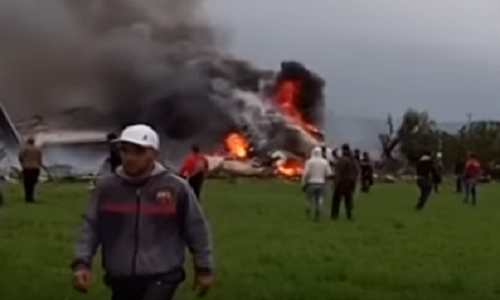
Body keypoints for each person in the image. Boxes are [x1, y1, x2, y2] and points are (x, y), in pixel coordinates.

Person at [71, 124, 215, 300]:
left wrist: (204, 268)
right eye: (125, 150)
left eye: (139, 151)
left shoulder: (175, 188)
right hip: (120, 276)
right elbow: (91, 227)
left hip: (162, 273)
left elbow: (195, 229)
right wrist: (82, 264)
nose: (130, 158)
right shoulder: (107, 188)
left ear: (154, 154)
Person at [301, 147, 332, 220]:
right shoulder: (325, 162)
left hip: (311, 183)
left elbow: (306, 173)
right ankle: (317, 214)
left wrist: (303, 183)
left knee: (308, 199)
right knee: (319, 200)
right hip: (321, 184)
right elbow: (329, 173)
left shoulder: (309, 162)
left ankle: (308, 212)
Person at [331, 144, 359, 220]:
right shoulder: (353, 160)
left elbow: (339, 172)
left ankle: (334, 215)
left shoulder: (342, 160)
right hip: (350, 183)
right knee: (348, 200)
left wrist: (335, 182)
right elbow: (357, 171)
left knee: (336, 200)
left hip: (342, 182)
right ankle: (349, 215)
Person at [18, 137, 43, 203]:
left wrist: (22, 164)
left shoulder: (24, 149)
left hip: (27, 168)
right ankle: (32, 197)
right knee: (33, 183)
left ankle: (28, 197)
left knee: (27, 183)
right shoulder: (38, 149)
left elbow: (20, 157)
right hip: (36, 168)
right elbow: (40, 159)